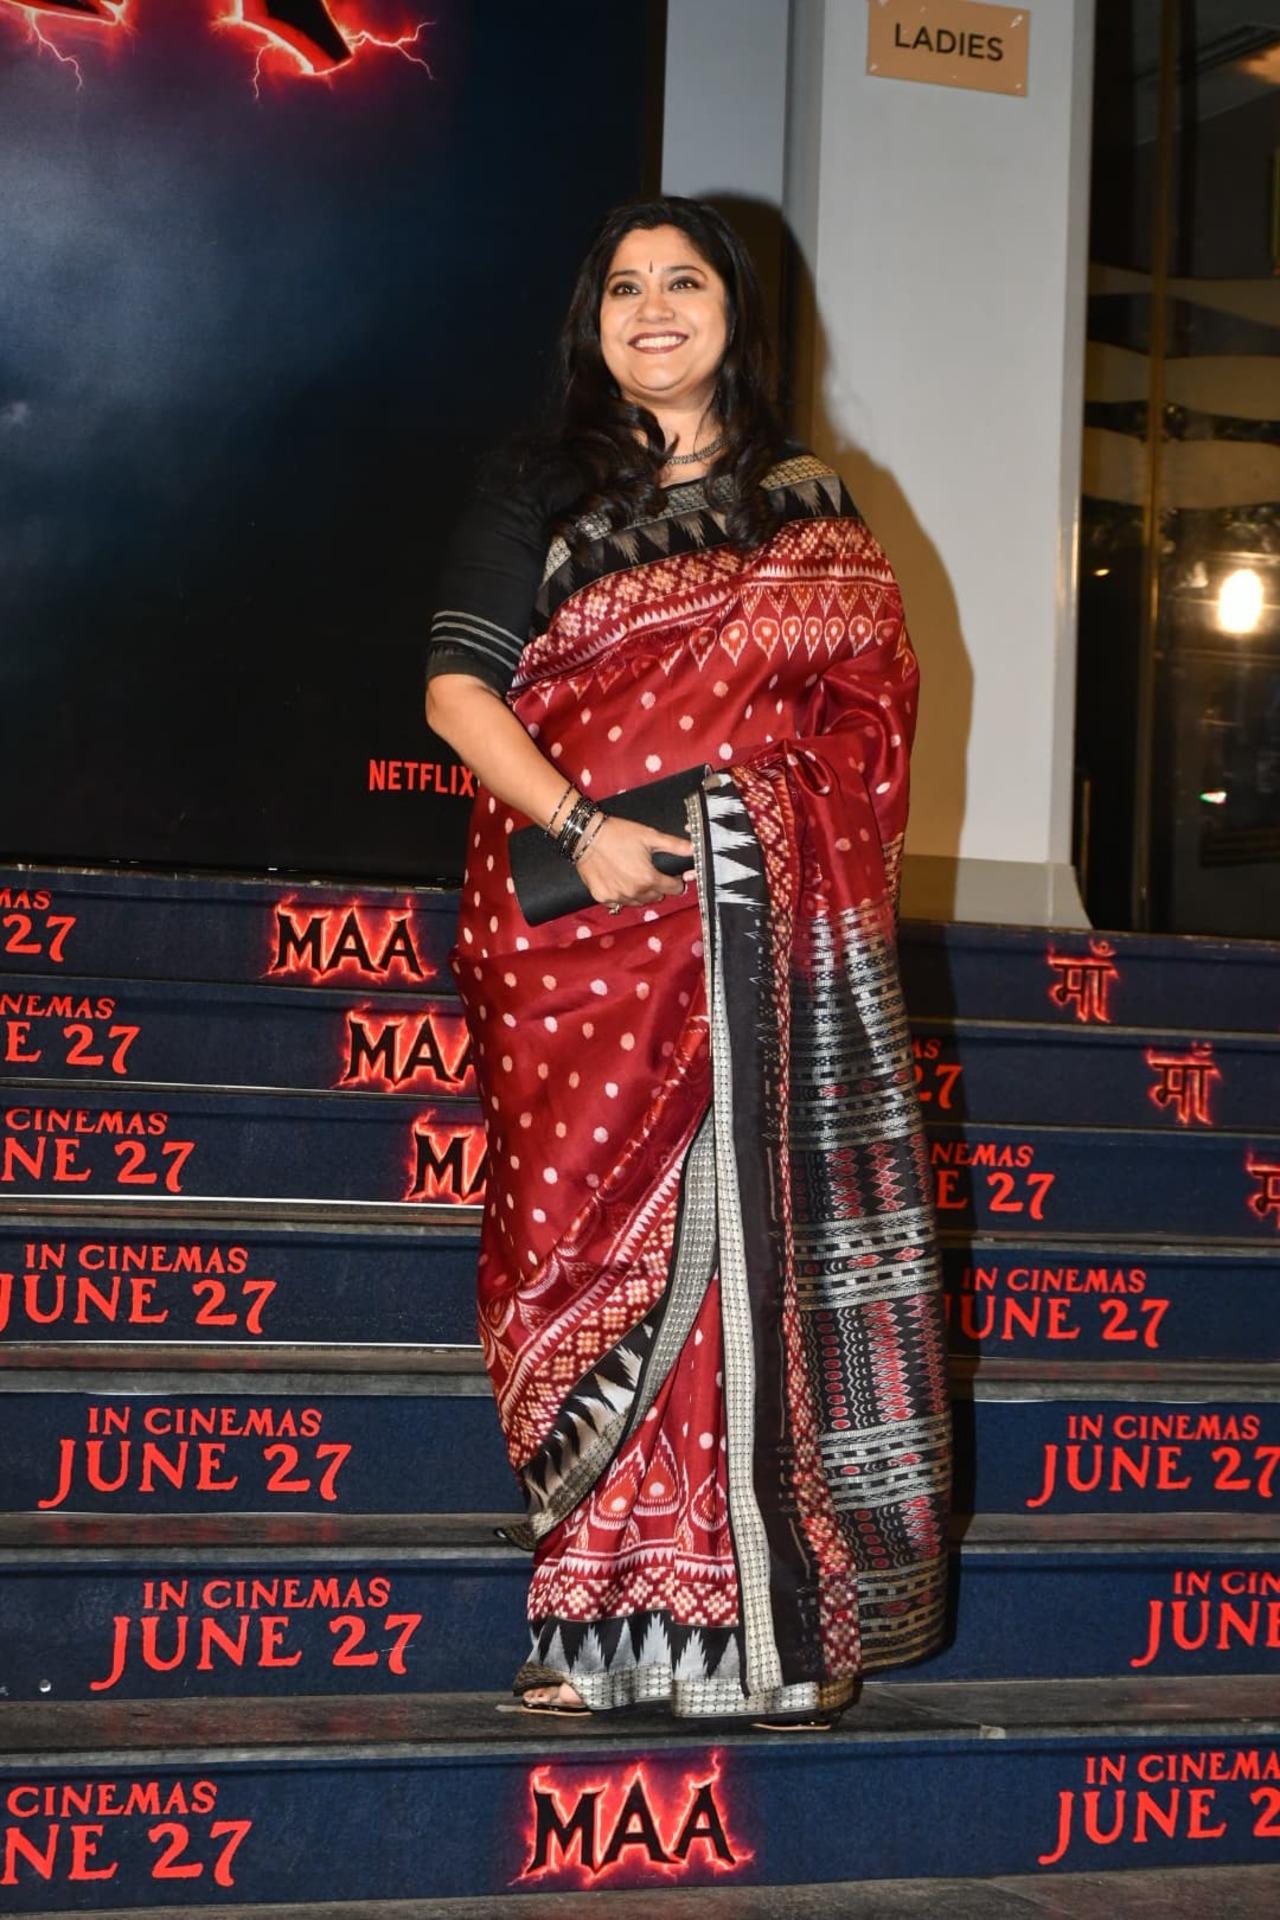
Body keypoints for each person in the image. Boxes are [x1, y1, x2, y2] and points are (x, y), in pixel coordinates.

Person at [425, 196, 950, 1726]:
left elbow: (867, 723)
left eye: (685, 282)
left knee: (758, 1266)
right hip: (578, 938)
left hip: (757, 940)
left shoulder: (813, 509)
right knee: (584, 1274)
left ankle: (778, 1619)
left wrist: (767, 834)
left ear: (738, 314)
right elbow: (462, 695)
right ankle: (591, 1626)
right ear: (591, 324)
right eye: (623, 289)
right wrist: (584, 826)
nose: (653, 308)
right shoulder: (536, 480)